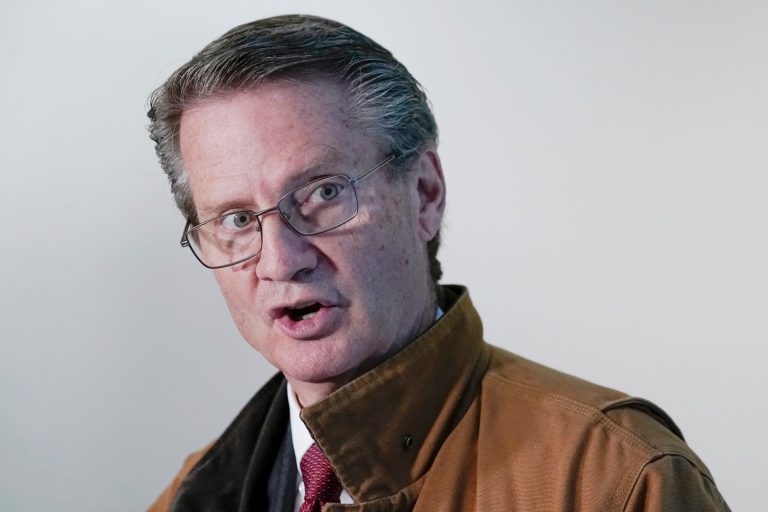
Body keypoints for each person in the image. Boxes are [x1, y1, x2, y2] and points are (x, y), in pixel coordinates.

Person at [146, 14, 729, 512]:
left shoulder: (618, 478)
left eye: (323, 194)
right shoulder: (188, 493)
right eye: (238, 220)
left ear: (424, 194)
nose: (280, 260)